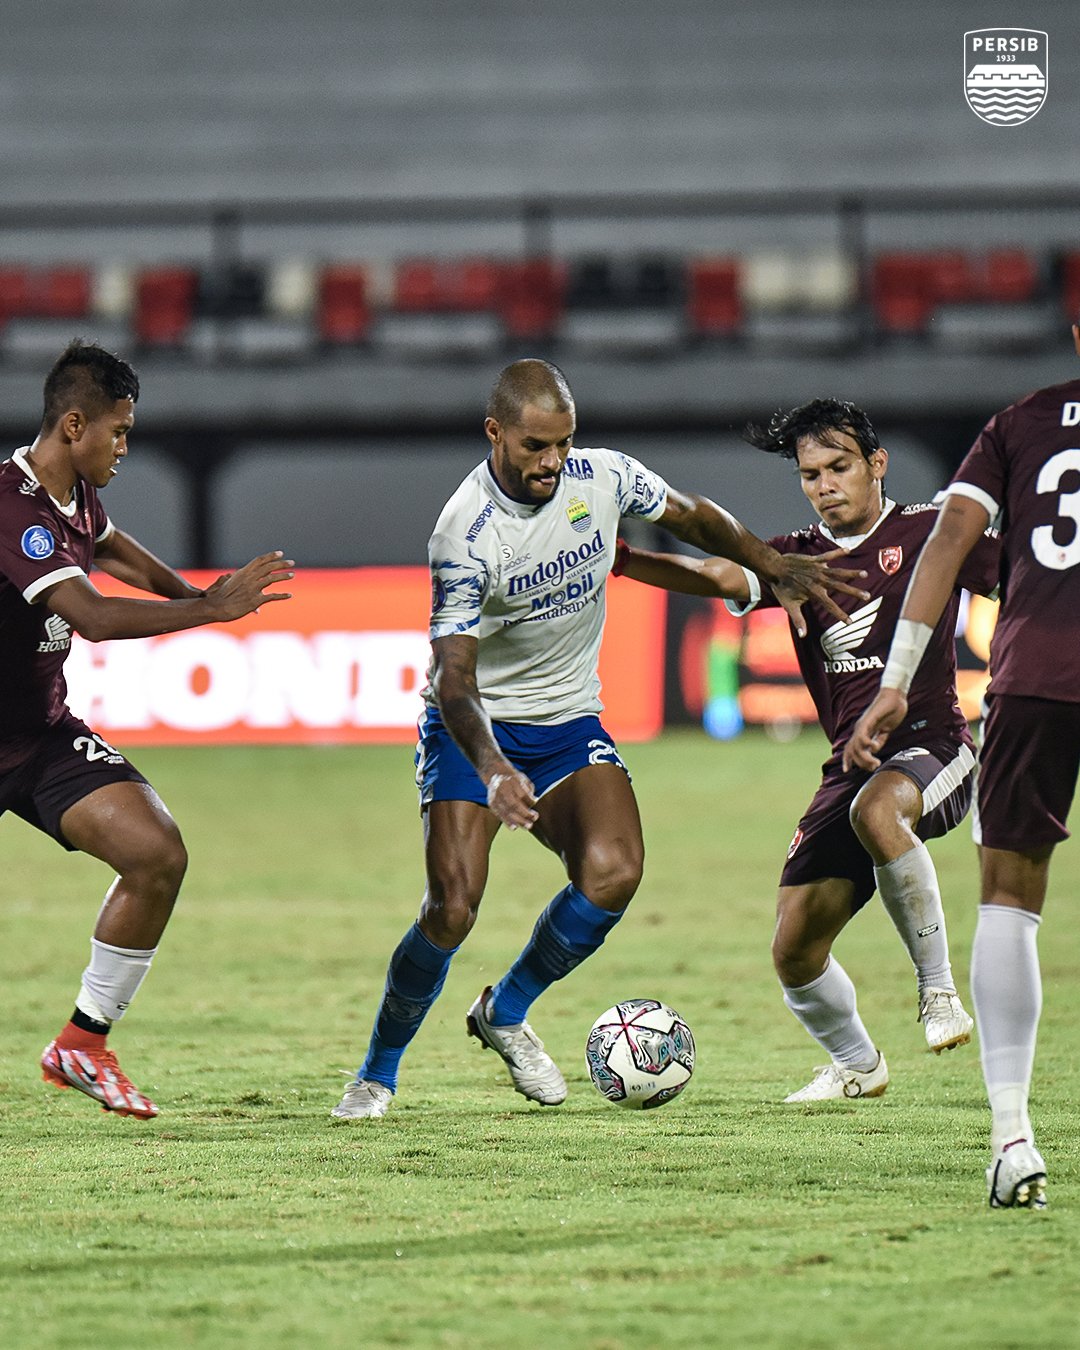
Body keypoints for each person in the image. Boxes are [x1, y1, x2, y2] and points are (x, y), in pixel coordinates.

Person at [331, 360, 866, 1119]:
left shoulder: (602, 477)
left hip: (569, 720)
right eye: (535, 446)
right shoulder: (463, 534)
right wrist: (492, 772)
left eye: (563, 443)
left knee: (614, 873)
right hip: (476, 727)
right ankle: (376, 1075)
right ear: (496, 434)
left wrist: (767, 563)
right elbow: (454, 682)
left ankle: (504, 1012)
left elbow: (692, 516)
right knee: (452, 907)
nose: (553, 461)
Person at [612, 399, 999, 1102]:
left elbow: (1018, 580)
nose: (825, 484)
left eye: (839, 467)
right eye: (810, 473)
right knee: (794, 948)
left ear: (877, 465)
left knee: (880, 812)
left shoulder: (931, 533)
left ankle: (938, 992)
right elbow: (721, 578)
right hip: (848, 768)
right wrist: (627, 559)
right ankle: (858, 1065)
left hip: (937, 747)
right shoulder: (796, 562)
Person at [0, 340, 293, 1119]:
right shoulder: (11, 504)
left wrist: (202, 592)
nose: (126, 446)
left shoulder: (77, 498)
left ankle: (81, 1045)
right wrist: (207, 612)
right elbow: (91, 616)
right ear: (72, 425)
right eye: (119, 431)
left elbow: (114, 551)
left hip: (37, 737)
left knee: (156, 852)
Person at [845, 329, 1080, 1210]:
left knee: (1010, 903)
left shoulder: (1017, 424)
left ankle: (1012, 1136)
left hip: (1037, 682)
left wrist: (895, 685)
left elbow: (947, 541)